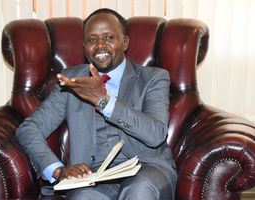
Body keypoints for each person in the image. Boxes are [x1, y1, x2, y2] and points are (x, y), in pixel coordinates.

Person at [15, 8, 177, 200]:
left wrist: (104, 102)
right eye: (92, 40)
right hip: (93, 177)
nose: (100, 45)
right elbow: (30, 129)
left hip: (147, 169)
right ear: (84, 46)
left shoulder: (153, 78)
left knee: (139, 191)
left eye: (109, 37)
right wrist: (57, 170)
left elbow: (155, 134)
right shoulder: (71, 80)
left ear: (125, 42)